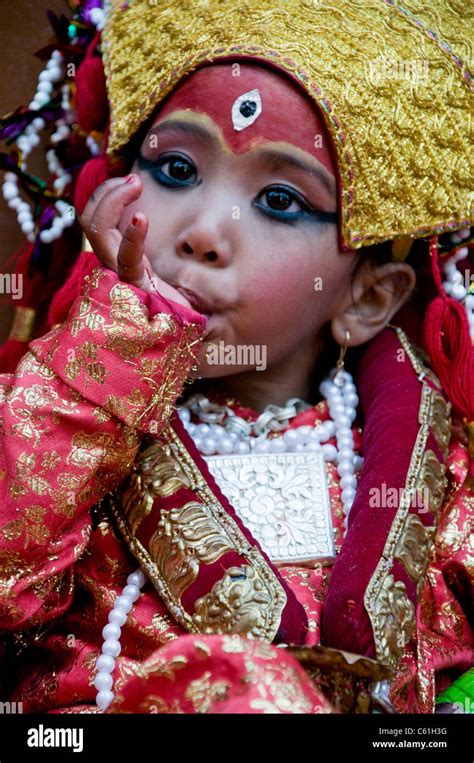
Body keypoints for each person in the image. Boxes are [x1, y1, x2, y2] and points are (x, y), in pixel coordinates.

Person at [0, 0, 472, 715]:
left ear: (367, 300)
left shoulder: (446, 477)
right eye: (177, 168)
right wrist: (120, 339)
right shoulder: (50, 417)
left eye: (280, 200)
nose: (202, 234)